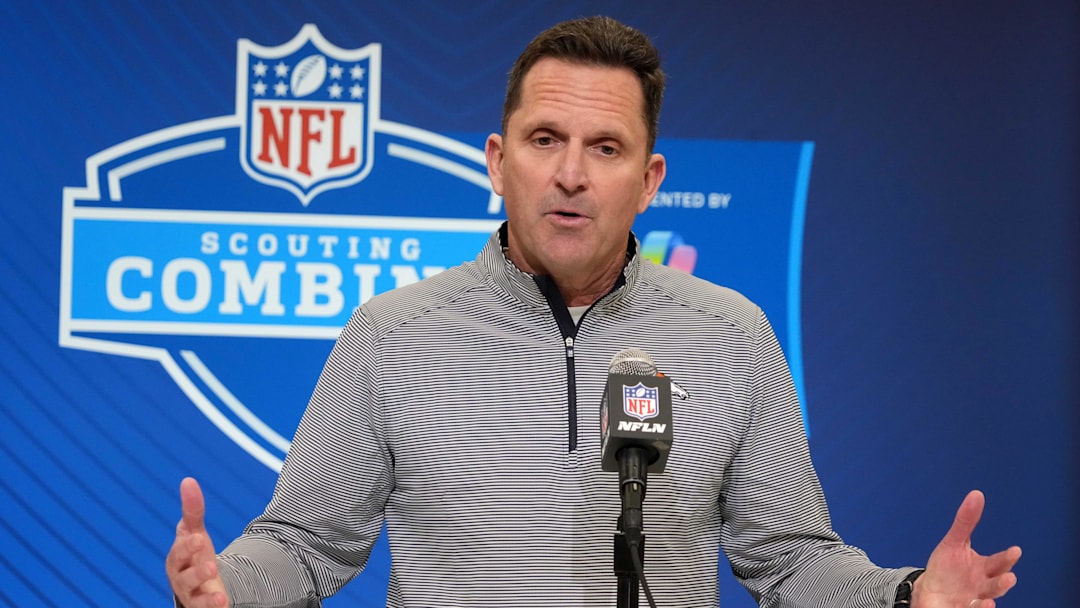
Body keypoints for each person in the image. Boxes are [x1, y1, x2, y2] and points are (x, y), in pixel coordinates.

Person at [166, 16, 1021, 608]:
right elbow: (307, 543)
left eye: (605, 148)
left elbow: (790, 562)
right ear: (499, 163)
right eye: (545, 141)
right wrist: (230, 586)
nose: (570, 173)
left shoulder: (731, 335)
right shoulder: (392, 335)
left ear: (649, 181)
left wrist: (908, 595)